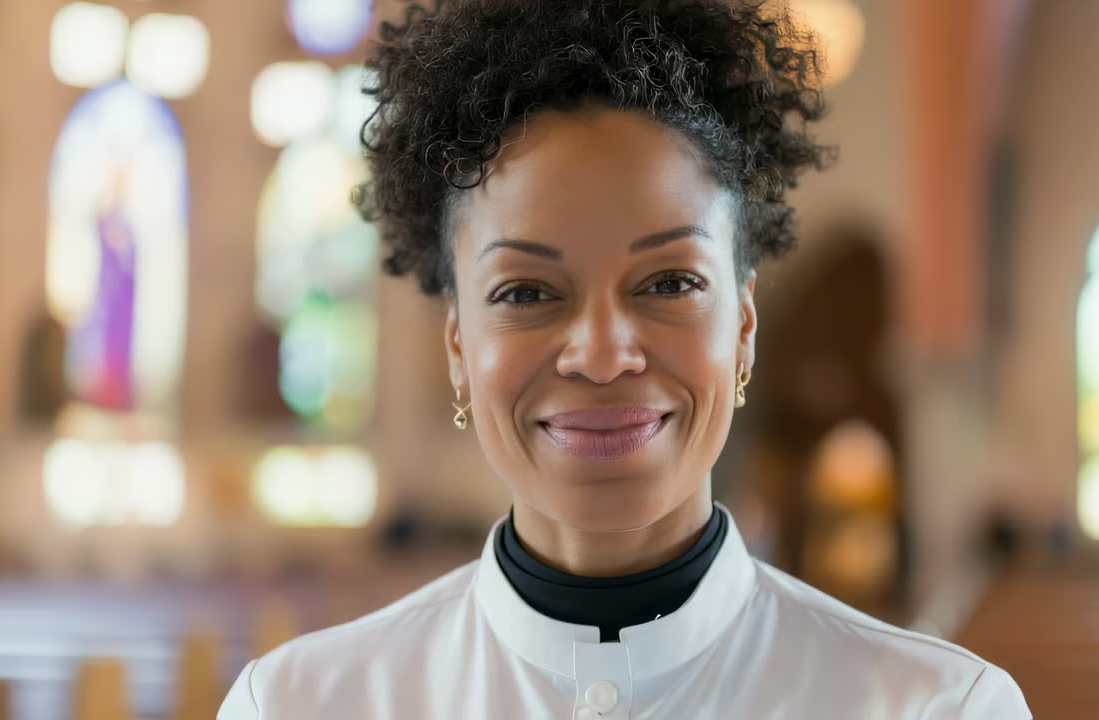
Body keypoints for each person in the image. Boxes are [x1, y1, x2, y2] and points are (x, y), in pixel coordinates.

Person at [219, 1, 1031, 717]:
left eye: (669, 281)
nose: (603, 355)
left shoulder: (935, 708)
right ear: (459, 347)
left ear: (743, 329)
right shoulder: (302, 704)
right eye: (527, 293)